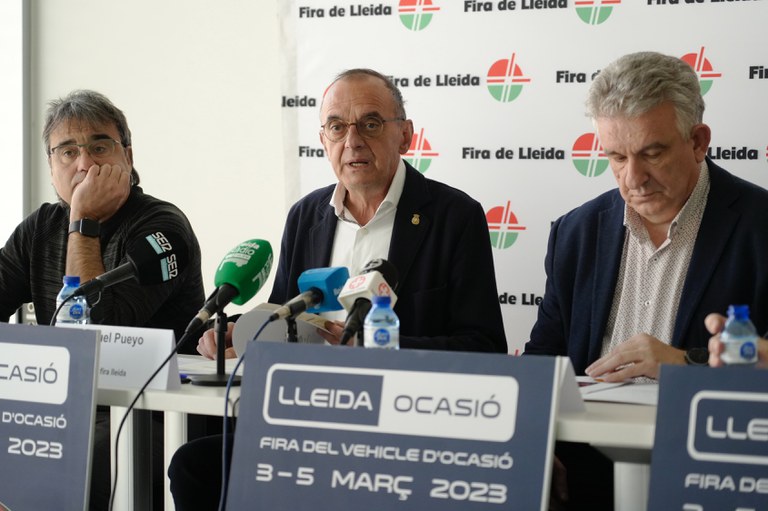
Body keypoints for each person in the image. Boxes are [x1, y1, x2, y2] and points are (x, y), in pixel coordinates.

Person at [169, 68, 508, 510]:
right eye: (336, 127)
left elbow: (483, 347)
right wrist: (236, 331)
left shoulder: (453, 216)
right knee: (193, 466)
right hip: (305, 423)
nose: (352, 141)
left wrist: (376, 349)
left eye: (371, 123)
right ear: (323, 139)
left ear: (405, 136)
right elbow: (284, 314)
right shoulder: (305, 215)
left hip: (402, 428)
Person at [523, 51, 768, 509]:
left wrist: (685, 363)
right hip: (586, 481)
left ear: (698, 141)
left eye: (652, 153)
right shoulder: (576, 232)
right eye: (616, 157)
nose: (633, 178)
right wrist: (534, 444)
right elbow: (545, 357)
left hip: (716, 476)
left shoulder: (759, 227)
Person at [0, 89, 206, 510]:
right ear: (51, 166)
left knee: (72, 458)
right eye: (67, 151)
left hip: (151, 415)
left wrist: (84, 221)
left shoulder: (163, 227)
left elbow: (100, 333)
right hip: (63, 405)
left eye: (99, 147)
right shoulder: (40, 228)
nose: (85, 164)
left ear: (127, 156)